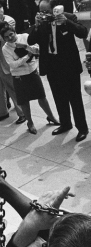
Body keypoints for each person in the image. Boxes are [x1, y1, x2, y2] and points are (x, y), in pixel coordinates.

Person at [28, 0, 89, 142]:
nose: (44, 15)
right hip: (51, 66)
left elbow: (83, 33)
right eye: (41, 12)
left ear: (54, 9)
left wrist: (67, 22)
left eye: (46, 12)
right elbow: (31, 40)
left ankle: (82, 128)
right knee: (58, 97)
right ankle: (65, 123)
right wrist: (36, 26)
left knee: (75, 99)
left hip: (69, 65)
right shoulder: (41, 22)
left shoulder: (67, 17)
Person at [0, 21, 59, 135]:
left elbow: (37, 50)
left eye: (11, 34)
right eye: (6, 37)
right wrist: (28, 56)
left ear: (14, 31)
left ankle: (51, 117)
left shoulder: (25, 37)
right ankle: (30, 123)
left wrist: (26, 47)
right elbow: (13, 65)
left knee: (42, 97)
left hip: (32, 72)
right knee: (24, 102)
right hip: (19, 77)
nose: (10, 38)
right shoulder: (5, 49)